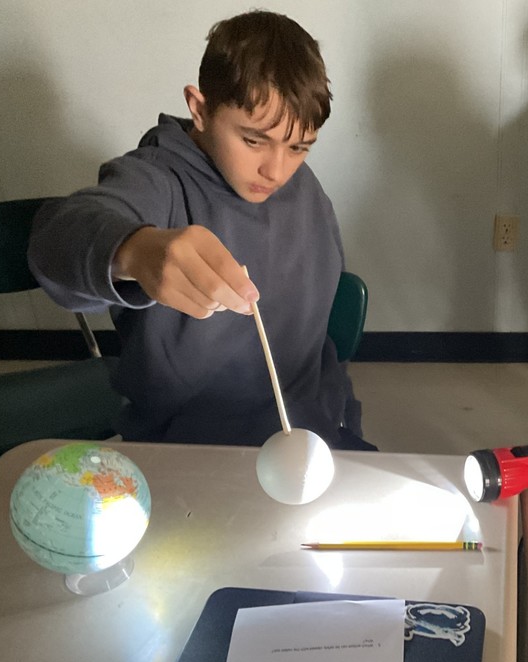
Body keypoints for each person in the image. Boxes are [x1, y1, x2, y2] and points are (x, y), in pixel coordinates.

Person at [29, 10, 373, 450]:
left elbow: (319, 345)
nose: (276, 169)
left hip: (314, 439)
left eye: (298, 147)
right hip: (194, 451)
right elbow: (59, 235)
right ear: (201, 109)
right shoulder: (158, 179)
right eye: (253, 140)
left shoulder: (304, 189)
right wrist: (134, 250)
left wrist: (342, 422)